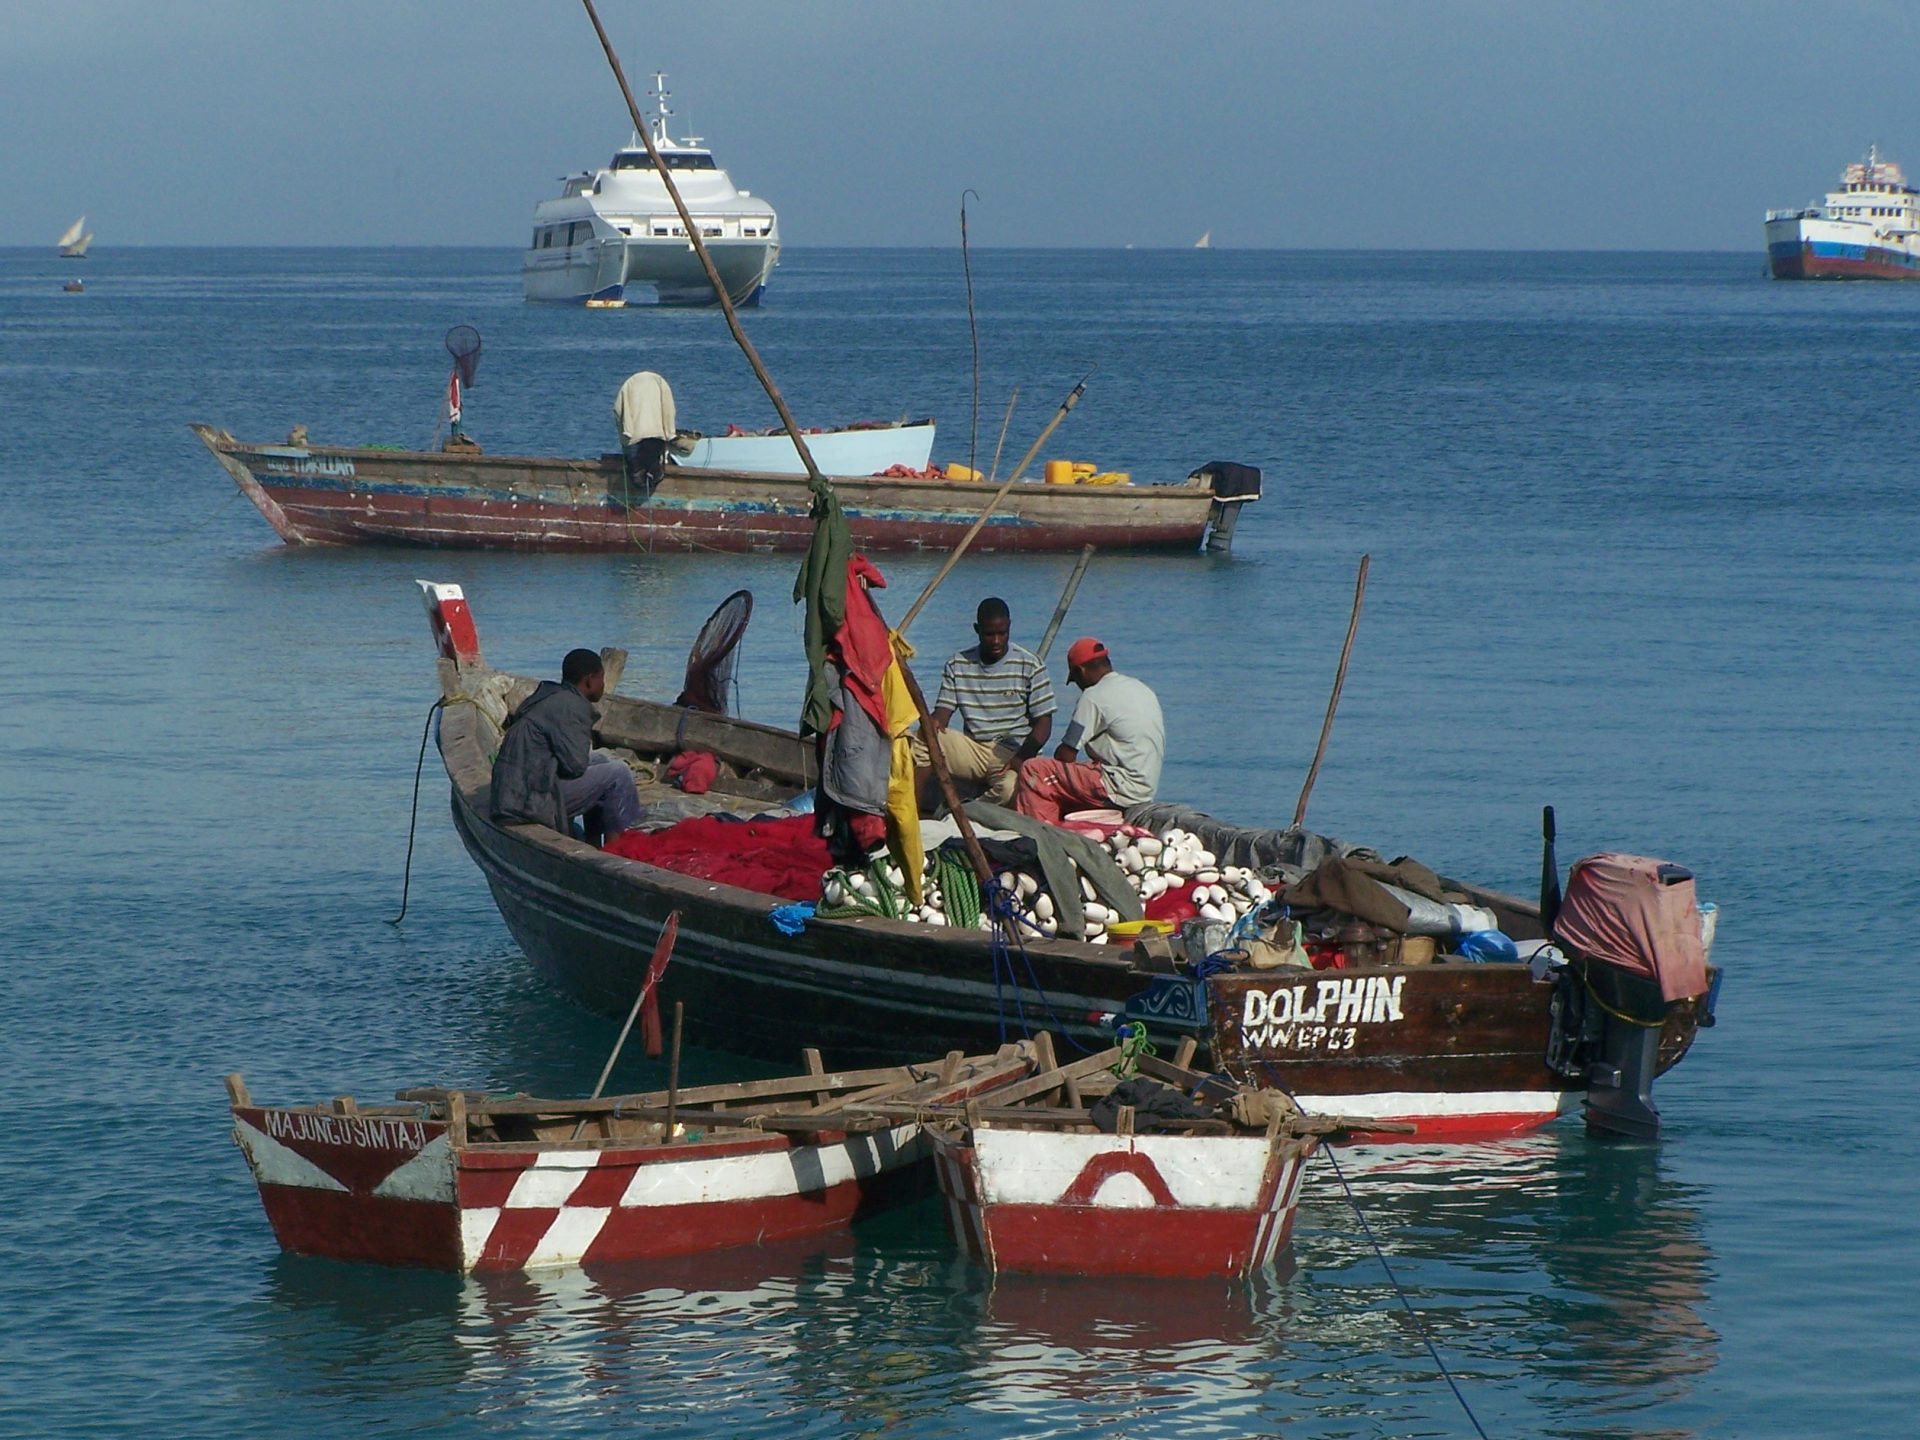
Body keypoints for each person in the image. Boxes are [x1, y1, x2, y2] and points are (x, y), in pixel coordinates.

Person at [912, 597, 1054, 808]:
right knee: (923, 735)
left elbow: (1044, 722)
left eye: (1002, 633)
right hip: (974, 749)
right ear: (977, 630)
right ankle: (912, 809)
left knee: (1009, 788)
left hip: (1011, 751)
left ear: (1009, 628)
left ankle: (969, 811)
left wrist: (1021, 757)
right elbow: (943, 711)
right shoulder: (958, 663)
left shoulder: (1030, 664)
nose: (996, 641)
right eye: (989, 634)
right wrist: (934, 722)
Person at [490, 648, 640, 846]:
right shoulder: (572, 706)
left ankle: (593, 842)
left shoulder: (551, 695)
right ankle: (616, 851)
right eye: (601, 679)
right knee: (619, 774)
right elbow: (575, 766)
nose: (603, 685)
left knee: (602, 760)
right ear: (589, 680)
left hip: (514, 791)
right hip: (528, 801)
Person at [1014, 636, 1163, 826]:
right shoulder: (1141, 689)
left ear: (1081, 671)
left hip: (1119, 786)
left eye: (1075, 679)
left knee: (1034, 770)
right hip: (1146, 788)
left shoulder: (1093, 696)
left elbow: (1066, 754)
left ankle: (1040, 835)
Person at [613, 370, 676, 500]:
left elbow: (618, 410)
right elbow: (669, 409)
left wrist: (624, 434)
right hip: (657, 435)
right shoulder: (661, 383)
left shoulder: (628, 385)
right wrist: (669, 432)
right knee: (654, 470)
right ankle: (652, 480)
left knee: (636, 473)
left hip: (634, 437)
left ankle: (639, 487)